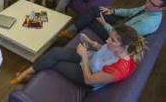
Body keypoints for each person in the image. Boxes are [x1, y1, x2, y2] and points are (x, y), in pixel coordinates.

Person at [11, 24, 147, 92]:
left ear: (124, 46)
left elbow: (89, 80)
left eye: (112, 40)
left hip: (87, 75)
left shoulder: (119, 69)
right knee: (55, 52)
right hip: (90, 58)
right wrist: (92, 43)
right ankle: (26, 74)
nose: (107, 41)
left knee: (55, 63)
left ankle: (26, 77)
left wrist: (84, 56)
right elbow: (104, 50)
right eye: (109, 36)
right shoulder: (117, 48)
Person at [59, 0, 166, 41]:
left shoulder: (148, 23)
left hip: (117, 35)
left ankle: (71, 32)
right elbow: (130, 12)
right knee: (95, 9)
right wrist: (113, 11)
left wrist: (105, 24)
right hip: (123, 22)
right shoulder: (149, 7)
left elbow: (122, 36)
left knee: (91, 19)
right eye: (148, 0)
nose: (147, 4)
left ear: (163, 9)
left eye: (152, 4)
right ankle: (71, 31)